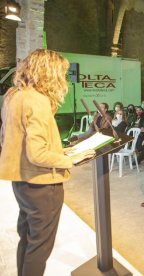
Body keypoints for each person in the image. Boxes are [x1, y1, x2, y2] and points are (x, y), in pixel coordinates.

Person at [0, 49, 95, 276]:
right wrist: (69, 158)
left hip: (22, 182)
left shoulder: (14, 95)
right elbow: (38, 154)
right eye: (61, 73)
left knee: (28, 239)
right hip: (42, 185)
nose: (63, 78)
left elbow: (9, 139)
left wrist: (60, 150)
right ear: (49, 72)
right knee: (40, 248)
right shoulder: (38, 101)